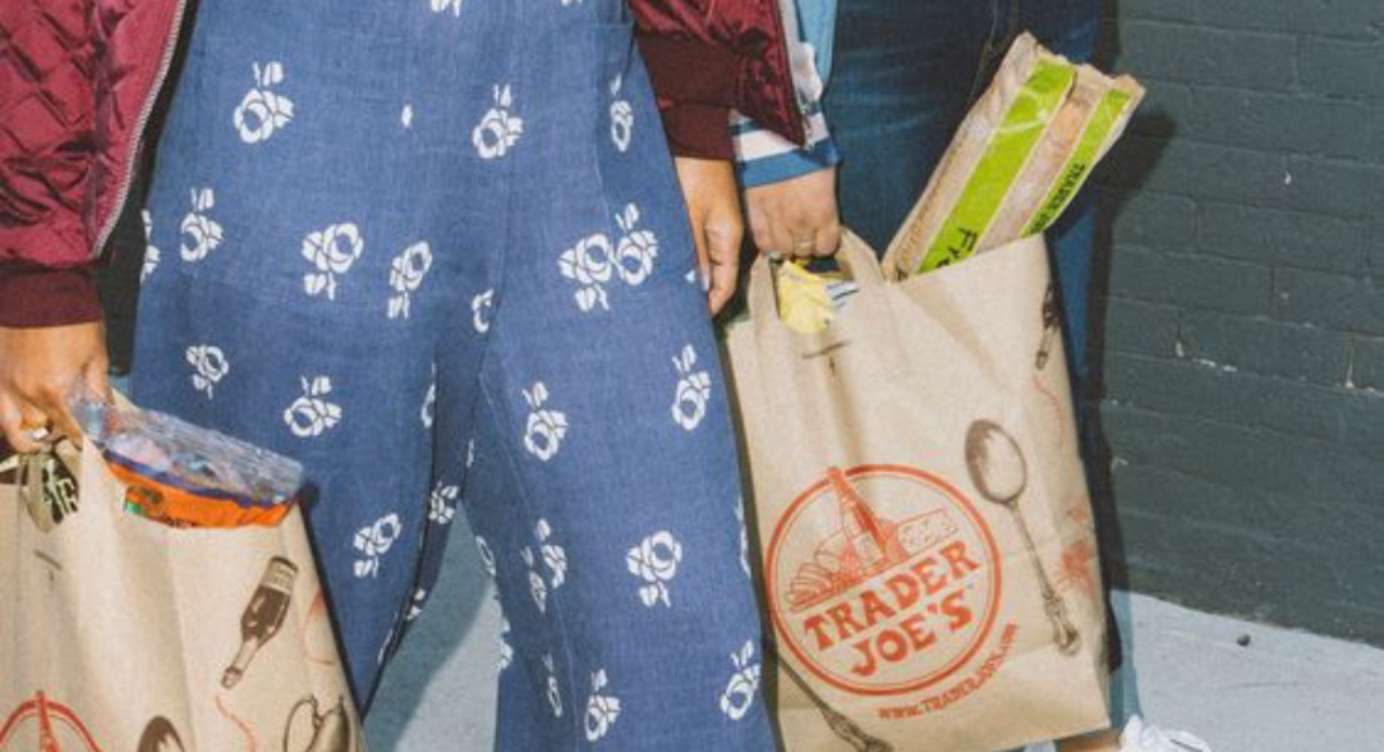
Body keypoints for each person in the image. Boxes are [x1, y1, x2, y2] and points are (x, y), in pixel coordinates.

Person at [0, 0, 808, 748]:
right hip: (295, 115)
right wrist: (37, 258)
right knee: (258, 679)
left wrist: (689, 90)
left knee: (679, 659)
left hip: (585, 116)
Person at [724, 1, 1212, 750]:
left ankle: (1092, 734)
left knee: (1048, 395)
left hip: (1054, 19)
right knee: (885, 435)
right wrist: (772, 132)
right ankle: (952, 726)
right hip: (869, 44)